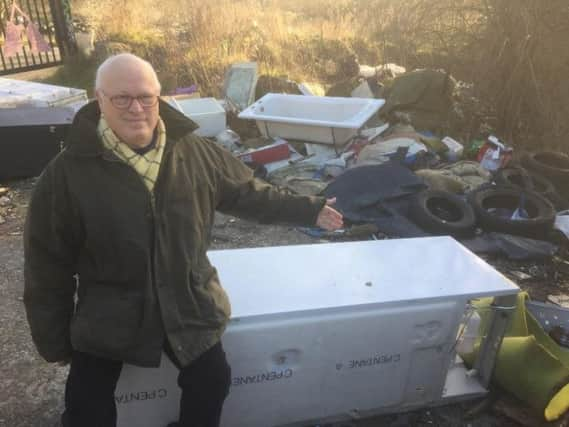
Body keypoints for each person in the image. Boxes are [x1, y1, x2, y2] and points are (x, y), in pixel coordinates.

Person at [23, 53, 343, 427]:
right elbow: (46, 266)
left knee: (211, 380)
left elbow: (248, 194)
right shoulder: (64, 175)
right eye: (121, 98)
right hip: (111, 308)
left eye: (146, 97)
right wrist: (55, 341)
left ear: (159, 97)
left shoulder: (195, 153)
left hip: (188, 298)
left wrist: (308, 209)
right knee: (85, 405)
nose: (136, 108)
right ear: (99, 99)